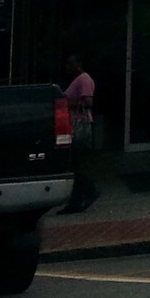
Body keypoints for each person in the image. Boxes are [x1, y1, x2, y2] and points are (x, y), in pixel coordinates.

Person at [60, 54, 97, 214]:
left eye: (70, 63)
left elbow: (88, 102)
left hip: (80, 125)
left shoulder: (84, 79)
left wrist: (65, 103)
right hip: (73, 124)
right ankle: (76, 201)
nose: (67, 67)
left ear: (79, 64)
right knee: (76, 163)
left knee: (78, 161)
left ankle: (89, 191)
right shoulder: (78, 80)